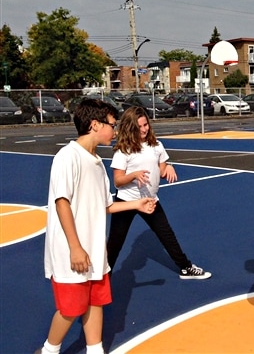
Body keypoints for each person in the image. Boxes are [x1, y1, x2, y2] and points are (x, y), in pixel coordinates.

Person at [38, 99, 156, 354]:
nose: (115, 131)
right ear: (94, 125)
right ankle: (49, 350)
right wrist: (75, 248)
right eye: (112, 125)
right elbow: (62, 203)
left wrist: (137, 204)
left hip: (93, 250)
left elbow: (106, 206)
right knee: (70, 308)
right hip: (73, 251)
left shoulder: (96, 163)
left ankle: (95, 349)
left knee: (95, 302)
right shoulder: (68, 157)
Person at [106, 106, 211, 280]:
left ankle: (185, 267)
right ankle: (103, 279)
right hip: (127, 201)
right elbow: (118, 180)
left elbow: (162, 170)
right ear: (130, 128)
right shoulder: (123, 150)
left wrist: (168, 167)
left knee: (166, 234)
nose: (144, 129)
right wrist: (133, 175)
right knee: (115, 243)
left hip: (150, 200)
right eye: (139, 127)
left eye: (145, 124)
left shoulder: (156, 145)